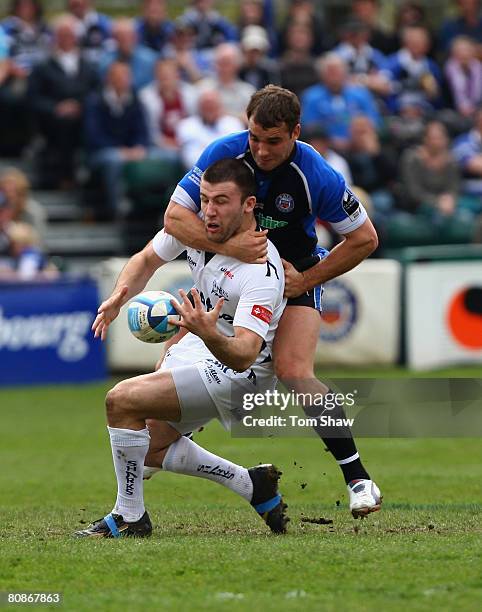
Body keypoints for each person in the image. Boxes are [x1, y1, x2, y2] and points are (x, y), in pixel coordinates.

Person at [162, 85, 382, 518]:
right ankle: (188, 459)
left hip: (292, 278)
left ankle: (358, 479)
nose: (261, 151)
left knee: (294, 372)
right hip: (229, 283)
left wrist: (307, 279)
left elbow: (364, 238)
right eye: (254, 138)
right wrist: (230, 247)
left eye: (273, 141)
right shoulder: (223, 153)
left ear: (295, 133)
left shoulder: (315, 174)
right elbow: (173, 218)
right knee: (170, 365)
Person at [75, 158, 289, 538]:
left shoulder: (260, 271)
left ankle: (129, 517)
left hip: (240, 372)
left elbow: (243, 354)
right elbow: (145, 259)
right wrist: (118, 297)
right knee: (146, 451)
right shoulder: (198, 230)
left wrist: (204, 333)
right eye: (205, 199)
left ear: (249, 205)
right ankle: (250, 484)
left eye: (221, 201)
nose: (208, 210)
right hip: (201, 340)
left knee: (120, 401)